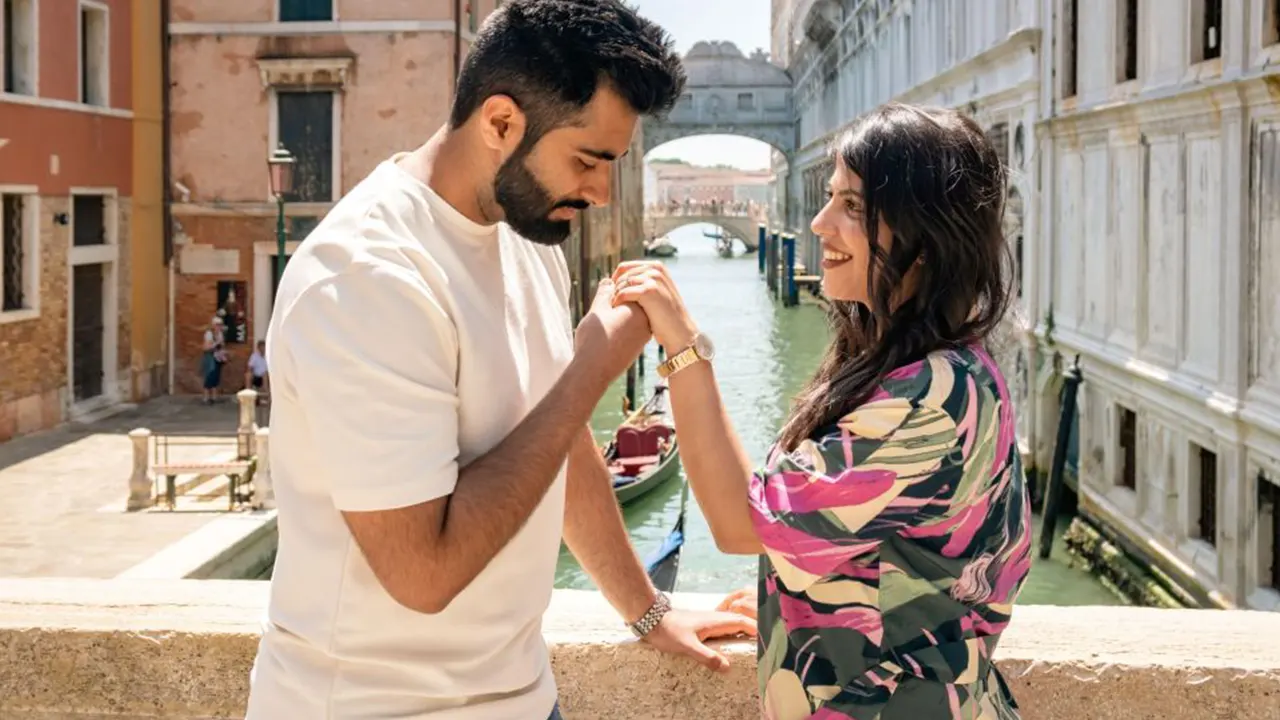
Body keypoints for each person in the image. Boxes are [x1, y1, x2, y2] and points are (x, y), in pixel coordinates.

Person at [245, 2, 754, 719]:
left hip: (522, 697)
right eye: (587, 160)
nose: (601, 193)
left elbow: (557, 444)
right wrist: (592, 366)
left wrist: (646, 611)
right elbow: (423, 574)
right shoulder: (366, 277)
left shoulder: (523, 238)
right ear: (501, 123)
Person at [612, 103, 1031, 719]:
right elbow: (892, 552)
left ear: (926, 234)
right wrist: (792, 598)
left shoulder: (931, 401)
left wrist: (684, 349)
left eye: (853, 207)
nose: (818, 222)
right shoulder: (926, 368)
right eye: (830, 197)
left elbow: (738, 522)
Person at [199, 316, 226, 404]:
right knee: (209, 376)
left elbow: (221, 345)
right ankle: (206, 397)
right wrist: (215, 344)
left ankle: (214, 397)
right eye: (217, 325)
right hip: (210, 357)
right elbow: (206, 347)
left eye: (220, 325)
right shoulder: (209, 334)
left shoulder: (220, 334)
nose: (219, 327)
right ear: (213, 325)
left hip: (217, 357)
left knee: (216, 377)